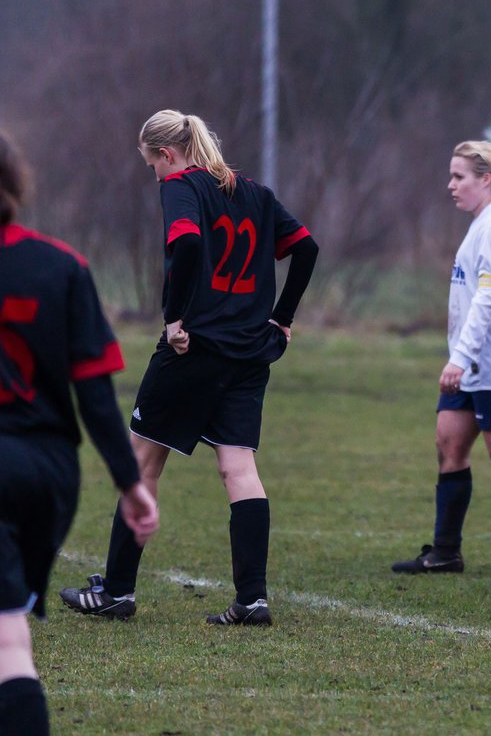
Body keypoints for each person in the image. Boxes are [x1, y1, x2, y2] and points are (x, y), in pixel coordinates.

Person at [60, 110, 318, 626]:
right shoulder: (255, 192)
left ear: (168, 155)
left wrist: (175, 318)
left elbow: (189, 242)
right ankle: (252, 599)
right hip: (249, 351)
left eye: (152, 164)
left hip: (193, 350)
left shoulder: (182, 186)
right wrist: (281, 319)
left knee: (143, 463)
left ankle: (116, 591)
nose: (155, 175)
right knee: (239, 467)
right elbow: (306, 248)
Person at [1, 130, 158, 734]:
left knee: (6, 644)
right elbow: (94, 396)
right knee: (10, 645)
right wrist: (130, 483)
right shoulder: (62, 266)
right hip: (46, 473)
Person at [392, 142, 491, 575]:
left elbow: (490, 299)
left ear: (486, 180)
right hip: (470, 364)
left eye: (459, 177)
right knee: (449, 442)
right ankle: (446, 551)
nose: (450, 185)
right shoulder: (481, 224)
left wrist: (461, 357)